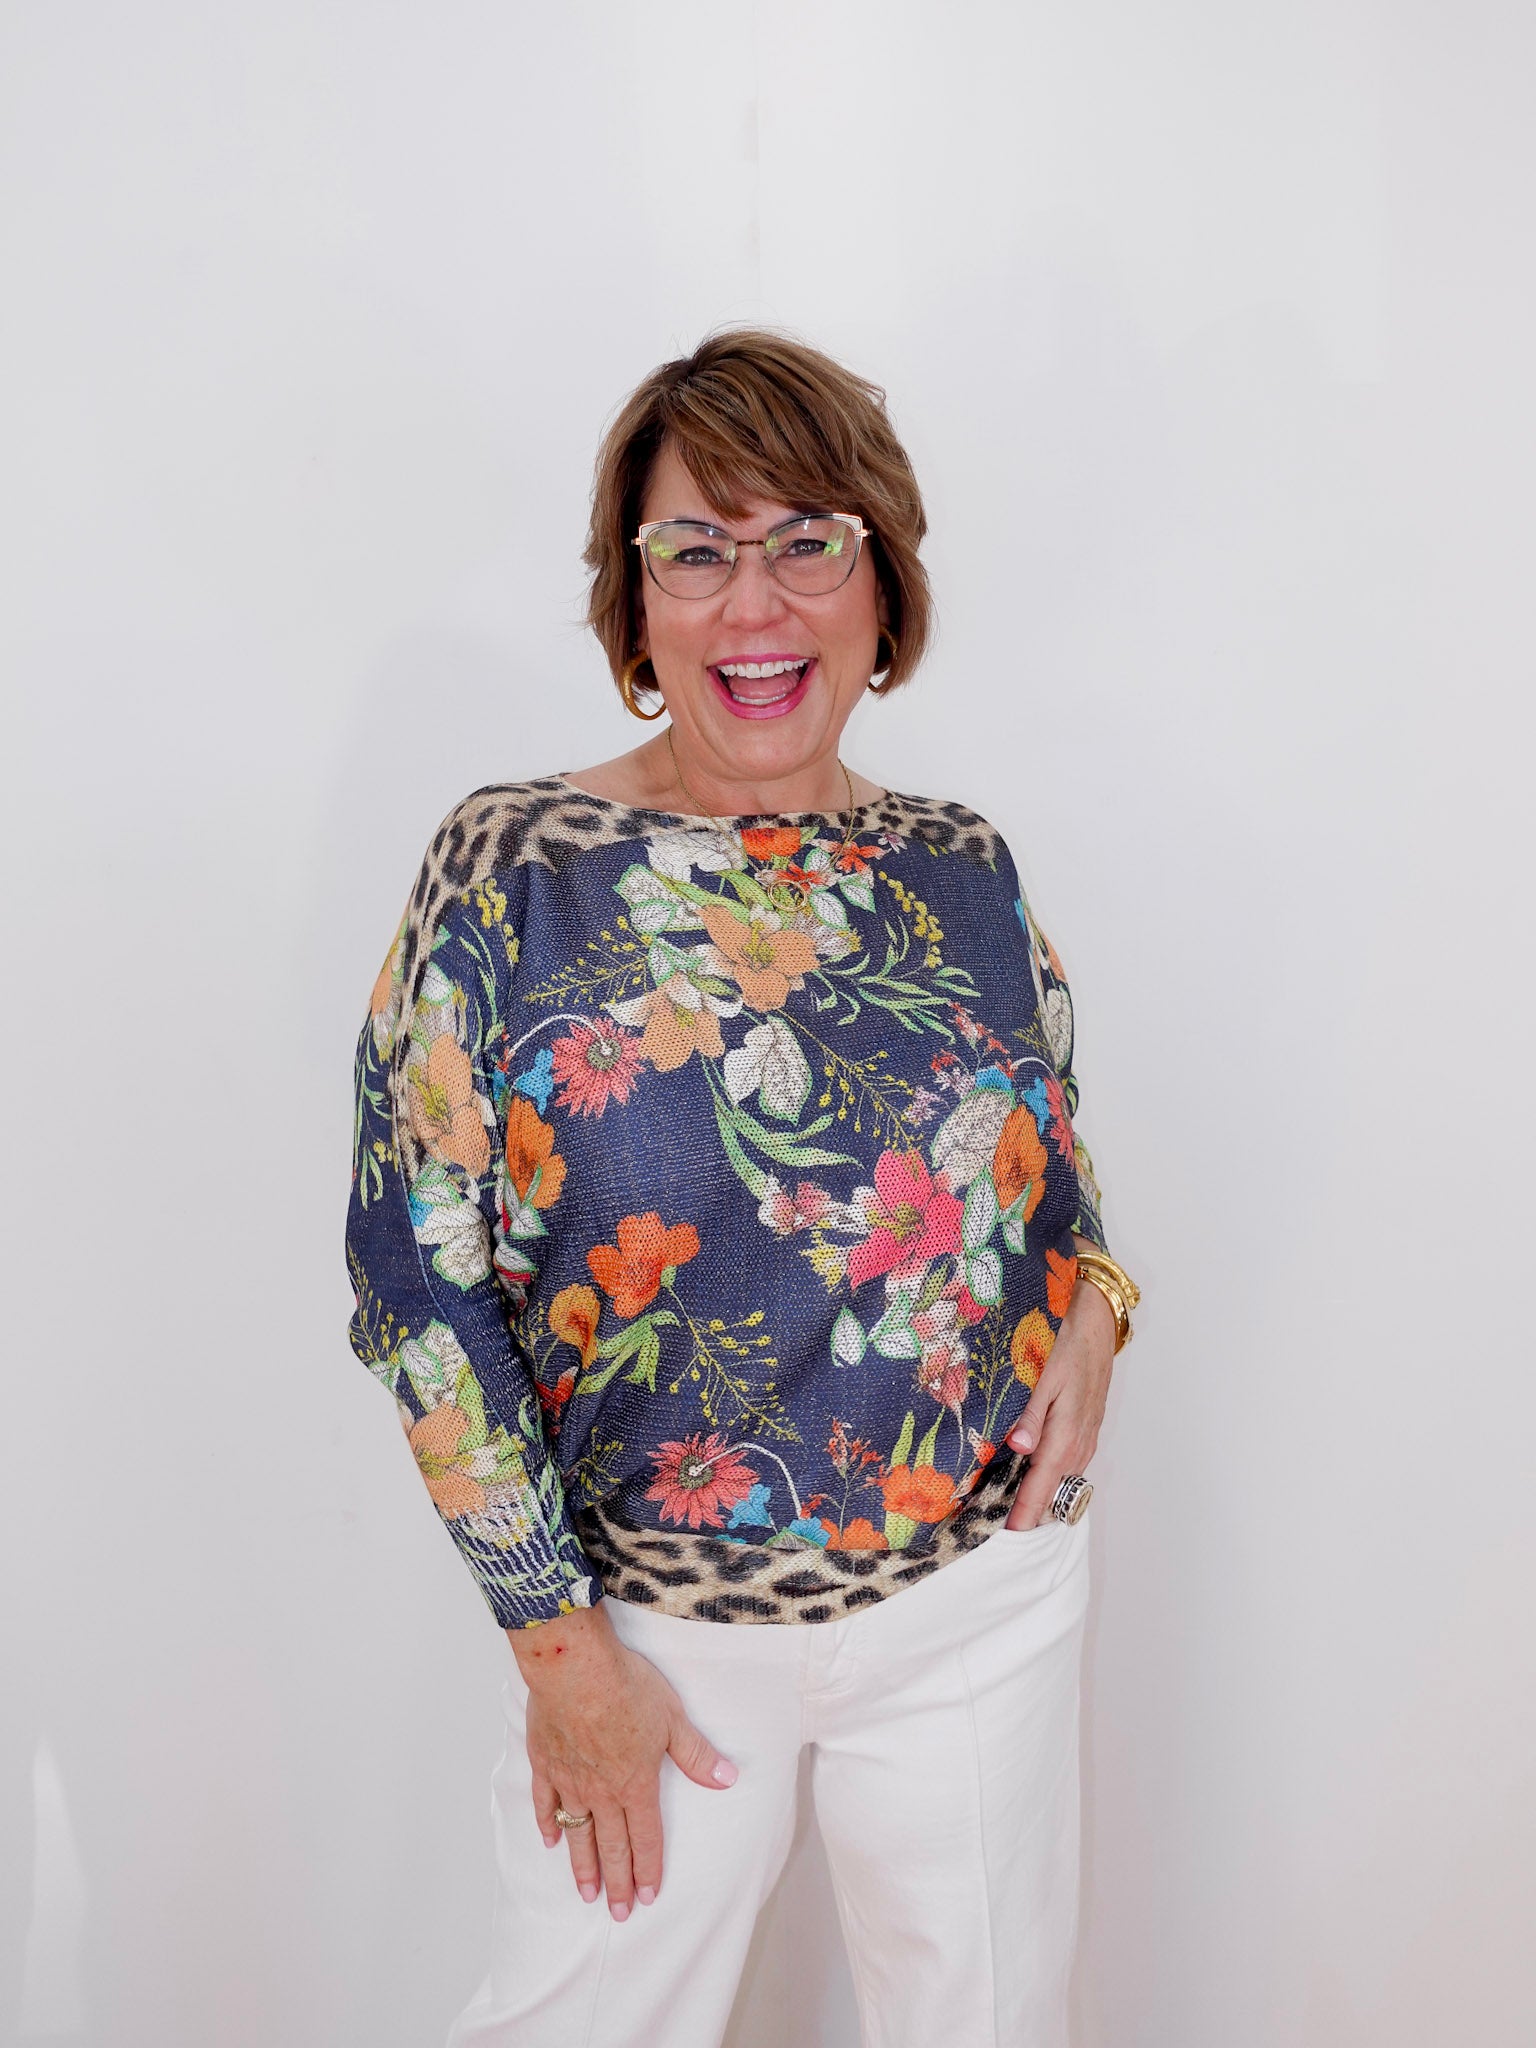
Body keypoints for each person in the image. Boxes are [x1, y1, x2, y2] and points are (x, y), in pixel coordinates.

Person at [345, 329, 1141, 2048]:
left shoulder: (962, 868)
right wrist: (562, 1663)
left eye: (807, 541)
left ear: (882, 584)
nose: (754, 603)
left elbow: (1043, 1163)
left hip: (977, 1595)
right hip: (646, 1631)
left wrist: (1101, 1298)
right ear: (636, 612)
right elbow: (414, 1288)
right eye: (696, 552)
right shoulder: (515, 870)